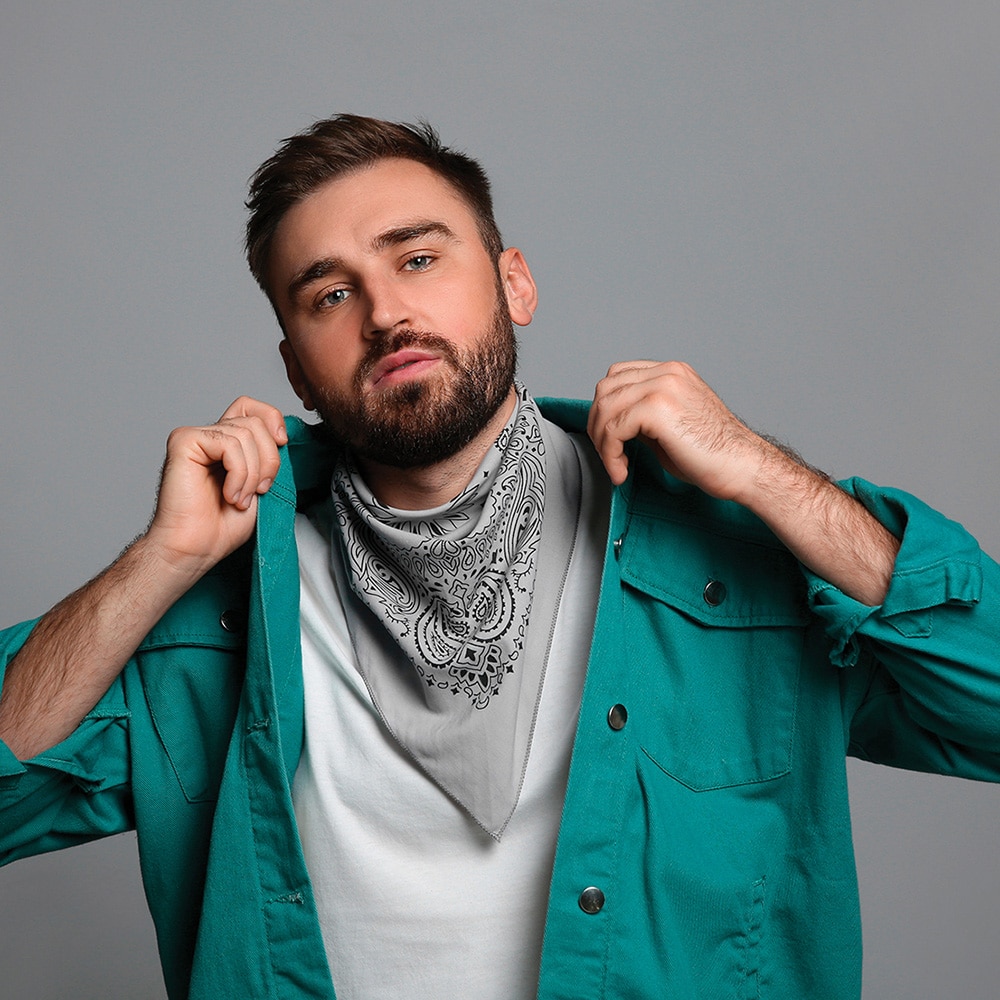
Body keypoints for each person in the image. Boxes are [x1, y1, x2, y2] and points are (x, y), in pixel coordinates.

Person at [1, 114, 998, 1000]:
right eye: (331, 293)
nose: (386, 313)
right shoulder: (217, 610)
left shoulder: (731, 558)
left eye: (418, 260)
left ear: (513, 283)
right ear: (296, 368)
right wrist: (158, 560)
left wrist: (756, 471)